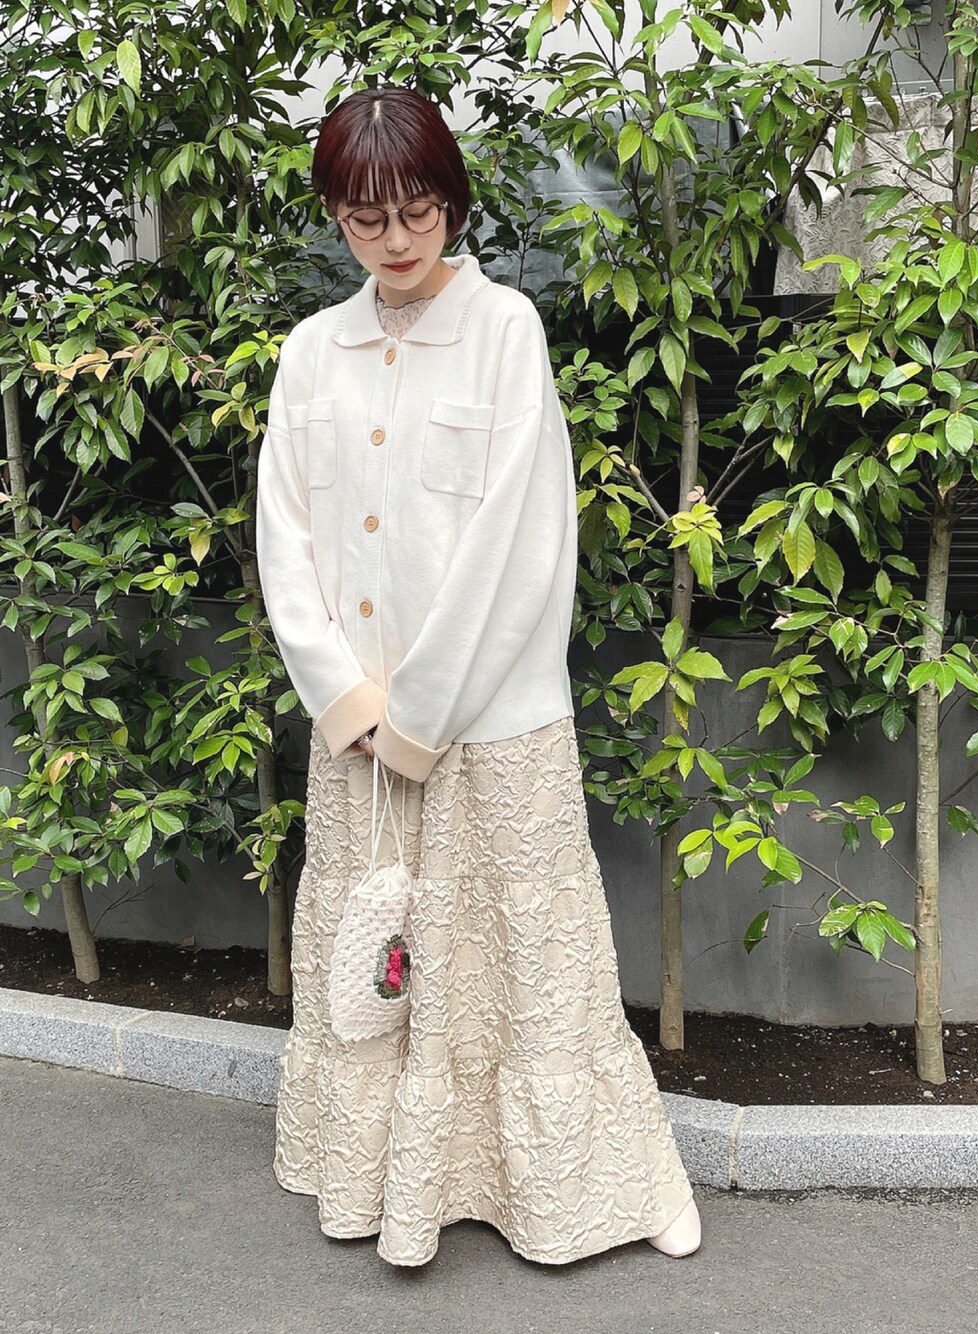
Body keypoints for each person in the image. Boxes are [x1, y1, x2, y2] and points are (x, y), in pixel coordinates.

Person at [255, 84, 701, 1268]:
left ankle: (605, 1179)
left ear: (450, 203)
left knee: (534, 957)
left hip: (492, 727)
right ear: (336, 218)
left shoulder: (505, 329)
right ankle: (380, 1178)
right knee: (380, 960)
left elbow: (522, 541)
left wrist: (420, 713)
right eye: (366, 218)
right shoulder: (311, 353)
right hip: (357, 736)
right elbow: (282, 538)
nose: (395, 239)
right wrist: (348, 700)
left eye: (417, 211)